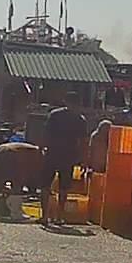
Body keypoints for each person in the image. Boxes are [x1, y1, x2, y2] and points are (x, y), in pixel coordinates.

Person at [41, 91, 88, 226]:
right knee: (64, 187)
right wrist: (84, 159)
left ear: (65, 101)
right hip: (69, 155)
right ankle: (59, 216)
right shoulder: (80, 119)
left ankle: (44, 216)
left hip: (52, 153)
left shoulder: (55, 115)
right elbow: (83, 141)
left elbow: (46, 133)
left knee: (45, 185)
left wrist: (41, 148)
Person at [0, 141, 45, 219]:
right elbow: (32, 172)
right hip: (15, 154)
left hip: (0, 149)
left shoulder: (35, 150)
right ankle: (16, 213)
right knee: (17, 183)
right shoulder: (38, 154)